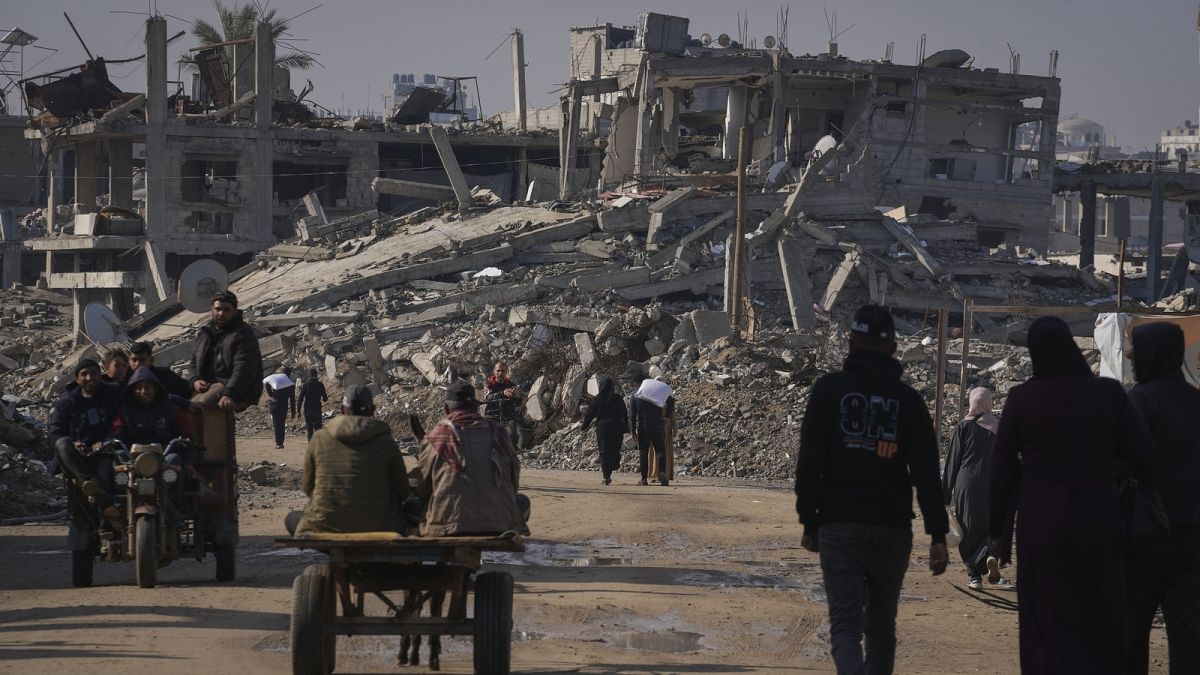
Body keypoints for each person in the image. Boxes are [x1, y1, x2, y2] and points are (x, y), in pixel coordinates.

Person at [988, 316, 1155, 675]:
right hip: (1096, 517)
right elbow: (1142, 452)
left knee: (1043, 615)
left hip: (1040, 523)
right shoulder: (1108, 394)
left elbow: (999, 471)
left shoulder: (1022, 398)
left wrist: (993, 531)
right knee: (1098, 612)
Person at [795, 304, 948, 675]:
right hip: (892, 529)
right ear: (894, 348)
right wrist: (938, 535)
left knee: (845, 626)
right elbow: (927, 472)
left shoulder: (829, 390)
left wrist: (810, 521)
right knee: (881, 627)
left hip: (839, 525)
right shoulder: (908, 401)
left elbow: (811, 461)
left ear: (850, 342)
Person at [1125, 322, 1200, 675]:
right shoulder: (1195, 400)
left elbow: (1123, 463)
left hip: (1146, 535)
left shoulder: (1138, 400)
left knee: (1131, 629)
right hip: (1193, 535)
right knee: (1189, 635)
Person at [286, 385, 411, 535]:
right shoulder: (385, 440)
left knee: (292, 518)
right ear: (372, 410)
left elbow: (307, 487)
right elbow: (403, 490)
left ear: (342, 410)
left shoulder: (319, 438)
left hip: (326, 525)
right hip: (379, 525)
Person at [417, 380, 526, 537]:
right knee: (522, 502)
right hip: (499, 524)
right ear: (476, 408)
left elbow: (424, 487)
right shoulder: (498, 431)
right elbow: (513, 478)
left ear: (446, 408)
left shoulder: (435, 436)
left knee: (413, 506)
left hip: (446, 526)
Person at [942, 387, 1009, 590]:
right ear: (989, 403)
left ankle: (974, 577)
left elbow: (953, 461)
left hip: (967, 484)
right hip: (994, 484)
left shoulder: (963, 427)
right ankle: (990, 556)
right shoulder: (1000, 427)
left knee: (968, 528)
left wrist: (945, 495)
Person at [49, 358, 124, 527]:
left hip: (106, 452)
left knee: (106, 471)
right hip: (78, 458)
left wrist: (105, 441)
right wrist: (74, 443)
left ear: (100, 375)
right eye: (84, 374)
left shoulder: (113, 394)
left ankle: (107, 524)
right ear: (77, 379)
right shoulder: (66, 402)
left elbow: (122, 421)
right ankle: (92, 485)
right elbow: (54, 432)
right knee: (62, 444)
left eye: (94, 373)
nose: (90, 377)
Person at [191, 290, 263, 411]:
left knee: (199, 407)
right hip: (207, 385)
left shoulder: (243, 334)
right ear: (212, 310)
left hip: (233, 388)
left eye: (226, 310)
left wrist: (230, 393)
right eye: (218, 309)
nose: (221, 313)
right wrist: (194, 381)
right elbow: (193, 362)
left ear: (234, 311)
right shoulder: (206, 333)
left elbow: (243, 369)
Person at [581, 375, 628, 485]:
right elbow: (624, 414)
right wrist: (626, 427)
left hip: (603, 429)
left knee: (604, 451)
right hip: (616, 428)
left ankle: (606, 476)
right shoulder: (618, 398)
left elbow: (590, 414)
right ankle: (612, 467)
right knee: (614, 449)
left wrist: (584, 426)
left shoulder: (598, 399)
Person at [628, 379, 675, 487]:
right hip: (658, 426)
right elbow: (671, 401)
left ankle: (644, 479)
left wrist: (632, 431)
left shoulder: (635, 395)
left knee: (643, 452)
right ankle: (662, 472)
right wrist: (666, 416)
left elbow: (632, 416)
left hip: (643, 427)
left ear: (636, 385)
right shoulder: (655, 392)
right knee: (660, 451)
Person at [483, 361, 521, 448]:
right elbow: (487, 397)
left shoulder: (511, 385)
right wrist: (502, 394)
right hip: (492, 415)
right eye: (498, 371)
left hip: (508, 415)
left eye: (503, 371)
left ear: (506, 372)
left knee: (512, 434)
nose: (500, 373)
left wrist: (515, 396)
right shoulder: (489, 384)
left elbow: (518, 403)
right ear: (494, 371)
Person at [263, 368, 296, 449]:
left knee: (277, 425)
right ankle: (281, 442)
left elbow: (267, 384)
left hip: (275, 406)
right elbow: (292, 399)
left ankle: (279, 443)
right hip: (284, 407)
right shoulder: (290, 385)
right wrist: (293, 412)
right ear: (289, 375)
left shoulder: (277, 382)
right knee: (281, 425)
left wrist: (271, 395)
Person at [298, 368, 328, 441]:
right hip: (317, 410)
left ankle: (310, 447)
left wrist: (298, 411)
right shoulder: (320, 384)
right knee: (318, 429)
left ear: (309, 375)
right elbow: (325, 398)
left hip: (308, 410)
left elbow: (300, 398)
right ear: (316, 375)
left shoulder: (305, 385)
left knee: (309, 429)